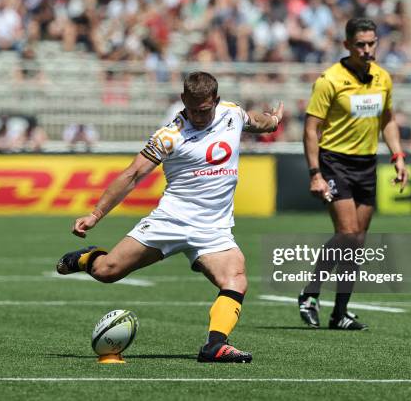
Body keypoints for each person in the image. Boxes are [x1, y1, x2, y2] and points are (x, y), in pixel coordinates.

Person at [56, 72, 283, 363]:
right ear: (183, 99)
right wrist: (96, 214)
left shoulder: (231, 113)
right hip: (171, 220)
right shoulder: (169, 135)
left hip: (213, 228)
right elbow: (132, 174)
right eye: (192, 109)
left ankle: (215, 345)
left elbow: (254, 121)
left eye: (205, 110)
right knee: (107, 272)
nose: (199, 116)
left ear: (215, 100)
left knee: (236, 278)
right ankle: (87, 258)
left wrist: (273, 121)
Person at [297, 18, 408, 330]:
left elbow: (387, 119)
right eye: (361, 44)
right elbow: (310, 129)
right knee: (346, 234)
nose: (367, 49)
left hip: (367, 164)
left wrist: (397, 155)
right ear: (346, 45)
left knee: (357, 241)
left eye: (372, 43)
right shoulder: (329, 80)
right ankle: (310, 293)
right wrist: (315, 173)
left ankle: (340, 313)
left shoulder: (383, 78)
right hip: (335, 162)